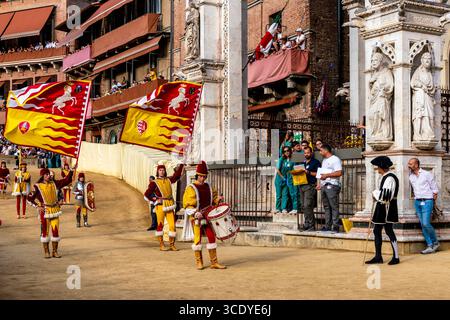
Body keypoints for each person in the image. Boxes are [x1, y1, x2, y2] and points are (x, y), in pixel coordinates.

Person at [182, 161, 226, 270]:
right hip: (196, 217)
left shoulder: (209, 187)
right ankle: (199, 262)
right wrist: (194, 212)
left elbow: (212, 200)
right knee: (197, 239)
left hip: (208, 217)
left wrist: (217, 199)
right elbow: (187, 204)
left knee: (211, 237)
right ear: (197, 175)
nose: (203, 178)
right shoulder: (191, 188)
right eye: (201, 176)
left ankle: (214, 262)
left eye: (204, 176)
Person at [27, 167, 74, 258]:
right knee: (45, 233)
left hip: (55, 210)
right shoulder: (37, 186)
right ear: (43, 176)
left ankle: (55, 251)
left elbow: (66, 180)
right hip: (45, 212)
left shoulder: (54, 183)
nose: (48, 176)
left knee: (55, 232)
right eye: (46, 174)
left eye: (49, 174)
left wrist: (71, 171)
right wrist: (37, 206)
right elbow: (29, 199)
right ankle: (46, 252)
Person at [365, 156, 400, 265]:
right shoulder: (385, 176)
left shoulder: (390, 178)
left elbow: (386, 196)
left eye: (378, 167)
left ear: (382, 167)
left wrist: (374, 193)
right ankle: (378, 256)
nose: (377, 169)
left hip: (387, 207)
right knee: (376, 230)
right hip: (382, 207)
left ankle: (396, 257)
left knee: (389, 230)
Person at [144, 163, 185, 251]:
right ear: (157, 172)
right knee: (160, 225)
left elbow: (177, 176)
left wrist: (182, 164)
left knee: (172, 225)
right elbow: (146, 194)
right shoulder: (154, 183)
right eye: (160, 170)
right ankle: (161, 244)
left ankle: (171, 244)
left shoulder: (169, 180)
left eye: (163, 170)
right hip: (160, 206)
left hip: (170, 205)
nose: (162, 172)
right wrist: (155, 200)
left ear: (165, 171)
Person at [408, 158, 440, 254]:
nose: (409, 165)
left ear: (416, 165)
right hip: (417, 202)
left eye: (410, 163)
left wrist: (433, 198)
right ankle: (430, 245)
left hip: (427, 201)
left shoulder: (426, 174)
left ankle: (436, 242)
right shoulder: (411, 176)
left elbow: (434, 189)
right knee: (422, 224)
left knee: (426, 223)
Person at [317, 144, 342, 233]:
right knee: (327, 207)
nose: (319, 152)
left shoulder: (335, 159)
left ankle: (335, 226)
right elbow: (322, 174)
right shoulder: (324, 160)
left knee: (334, 206)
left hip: (332, 185)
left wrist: (327, 175)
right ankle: (327, 225)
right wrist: (320, 184)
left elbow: (339, 172)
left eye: (320, 150)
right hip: (324, 185)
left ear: (325, 150)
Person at [411, 52, 436, 141]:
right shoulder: (418, 71)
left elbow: (432, 88)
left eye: (429, 59)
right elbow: (413, 83)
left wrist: (431, 90)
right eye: (425, 58)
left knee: (429, 116)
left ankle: (428, 134)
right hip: (419, 98)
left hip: (428, 98)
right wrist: (422, 86)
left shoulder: (429, 73)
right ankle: (418, 134)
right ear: (421, 60)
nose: (427, 60)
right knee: (419, 116)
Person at [297, 146, 321, 231]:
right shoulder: (303, 163)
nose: (306, 154)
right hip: (301, 185)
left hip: (310, 186)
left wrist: (308, 172)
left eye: (308, 152)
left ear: (311, 153)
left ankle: (311, 225)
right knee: (303, 206)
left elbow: (319, 174)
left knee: (308, 205)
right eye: (305, 153)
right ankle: (306, 224)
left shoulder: (315, 162)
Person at [274, 146, 298, 214]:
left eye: (288, 150)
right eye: (285, 151)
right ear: (283, 152)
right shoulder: (281, 159)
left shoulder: (292, 159)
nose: (286, 152)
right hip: (280, 179)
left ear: (290, 151)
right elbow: (278, 169)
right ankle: (278, 208)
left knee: (285, 194)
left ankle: (283, 208)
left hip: (288, 179)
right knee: (279, 195)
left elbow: (294, 168)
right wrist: (283, 178)